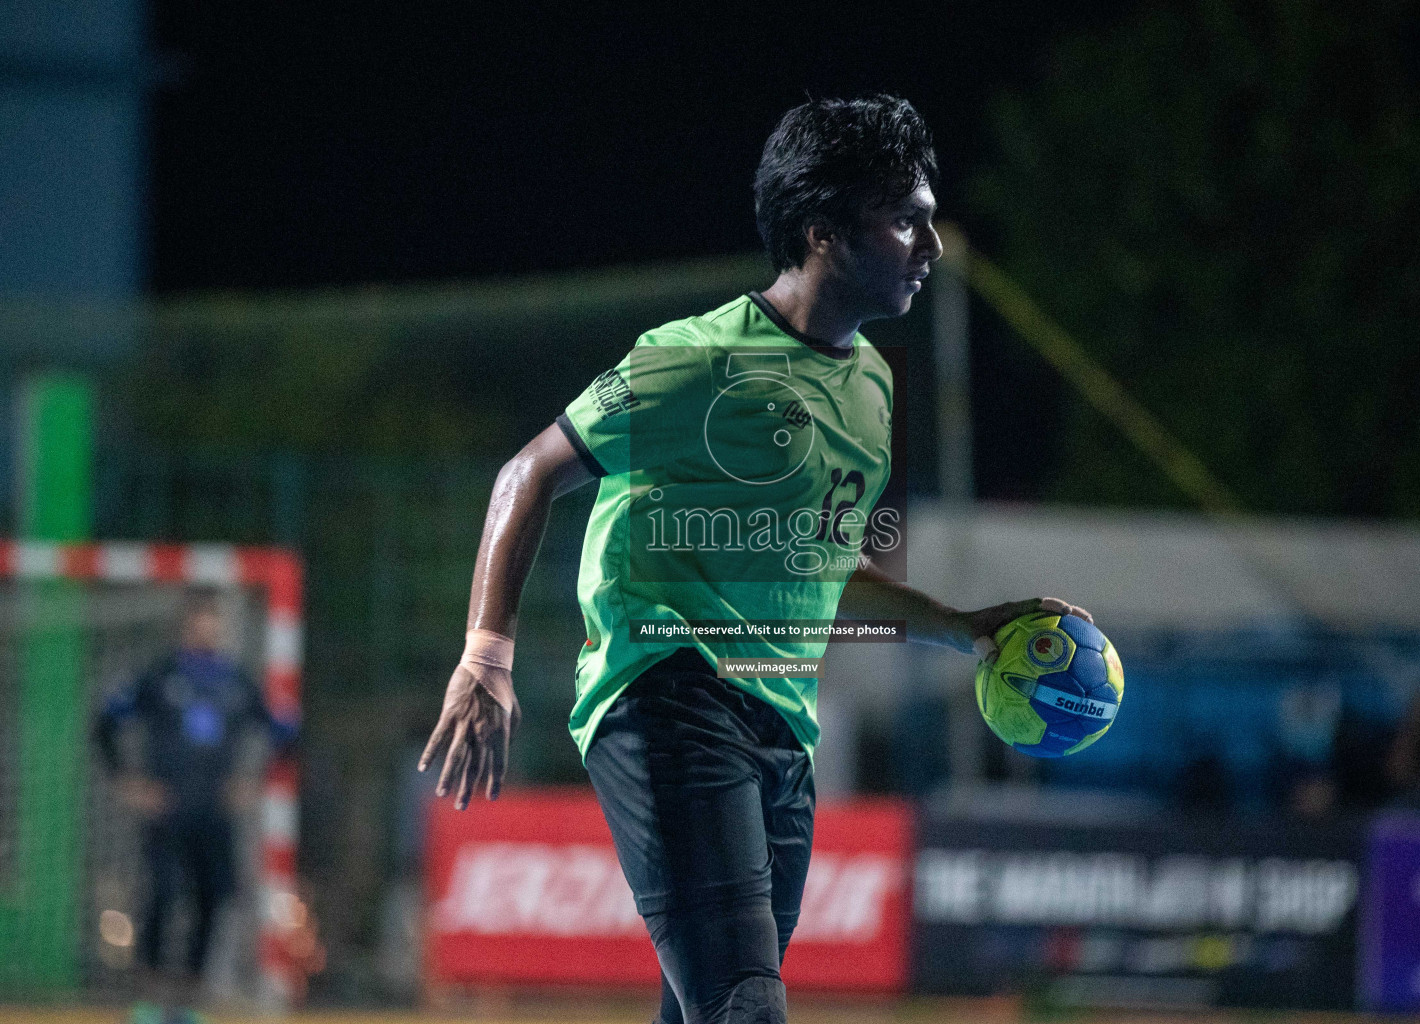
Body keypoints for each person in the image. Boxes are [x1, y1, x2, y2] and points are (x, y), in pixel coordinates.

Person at [417, 94, 1092, 1024]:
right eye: (906, 221)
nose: (932, 248)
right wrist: (484, 658)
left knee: (705, 1008)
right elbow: (525, 474)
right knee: (745, 1006)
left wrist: (966, 630)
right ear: (823, 232)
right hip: (665, 697)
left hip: (781, 732)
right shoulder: (691, 360)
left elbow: (822, 579)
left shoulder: (871, 387)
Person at [95, 592, 296, 1023]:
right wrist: (126, 780)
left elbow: (284, 733)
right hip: (167, 813)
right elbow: (106, 720)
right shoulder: (159, 676)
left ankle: (188, 1002)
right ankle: (149, 1001)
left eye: (214, 620)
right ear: (186, 623)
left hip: (214, 817)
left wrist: (252, 781)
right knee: (163, 897)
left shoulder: (236, 682)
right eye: (200, 619)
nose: (207, 628)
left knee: (211, 901)